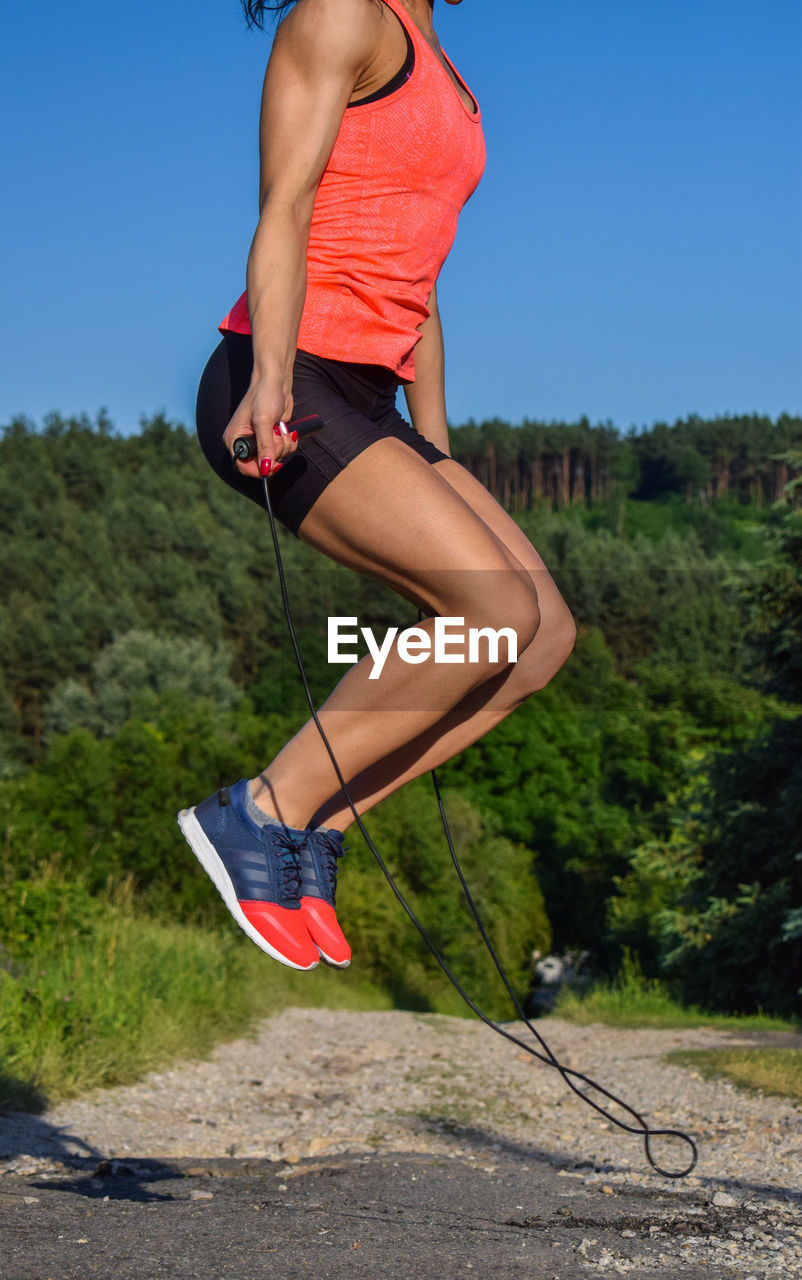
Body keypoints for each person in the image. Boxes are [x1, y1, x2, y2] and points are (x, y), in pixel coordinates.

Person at [181, 0, 576, 974]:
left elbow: (419, 278)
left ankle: (309, 824)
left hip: (370, 392)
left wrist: (435, 455)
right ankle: (256, 808)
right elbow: (285, 204)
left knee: (537, 638)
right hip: (285, 371)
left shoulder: (443, 63)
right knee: (486, 604)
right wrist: (269, 379)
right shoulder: (342, 13)